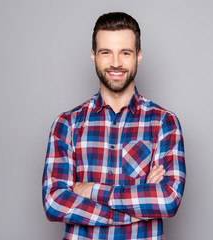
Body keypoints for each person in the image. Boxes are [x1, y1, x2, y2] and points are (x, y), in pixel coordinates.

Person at [42, 12, 186, 240]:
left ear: (138, 56)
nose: (116, 62)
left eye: (125, 53)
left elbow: (167, 200)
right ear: (93, 56)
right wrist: (134, 209)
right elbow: (54, 202)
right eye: (106, 52)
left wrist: (90, 190)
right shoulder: (67, 124)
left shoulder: (164, 123)